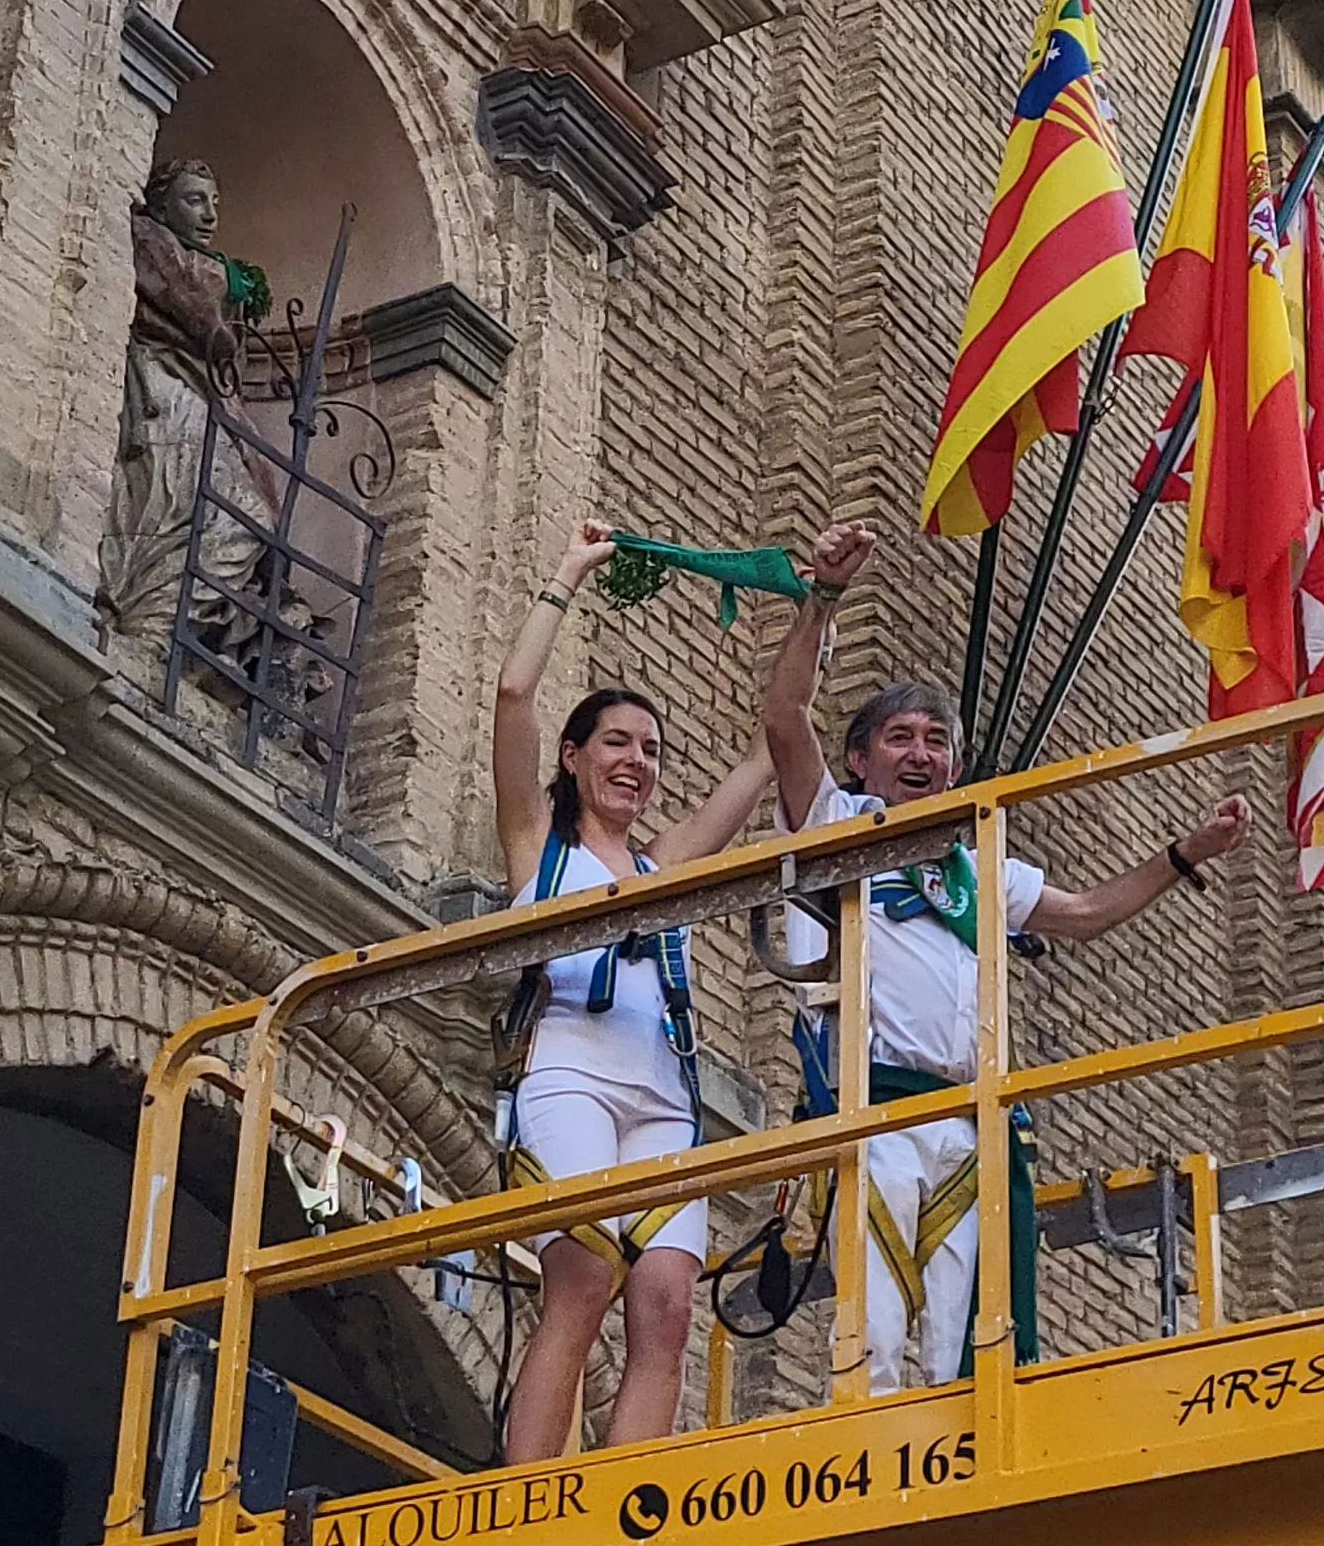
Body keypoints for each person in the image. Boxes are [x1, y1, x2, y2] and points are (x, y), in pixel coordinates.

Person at [765, 522, 1249, 1393]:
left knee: (970, 1347)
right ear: (860, 759)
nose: (922, 755)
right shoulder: (832, 825)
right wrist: (824, 598)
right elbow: (784, 713)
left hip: (970, 1119)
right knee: (869, 1333)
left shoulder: (977, 862)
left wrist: (1185, 854)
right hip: (870, 1113)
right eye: (902, 738)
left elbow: (1090, 912)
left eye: (937, 742)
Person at [492, 520, 775, 1461]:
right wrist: (569, 574)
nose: (637, 761)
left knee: (666, 1309)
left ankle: (618, 1503)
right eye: (616, 740)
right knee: (580, 1278)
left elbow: (770, 754)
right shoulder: (540, 843)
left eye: (651, 749)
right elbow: (514, 693)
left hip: (664, 1097)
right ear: (573, 756)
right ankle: (526, 1496)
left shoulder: (665, 862)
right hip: (569, 1071)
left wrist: (816, 607)